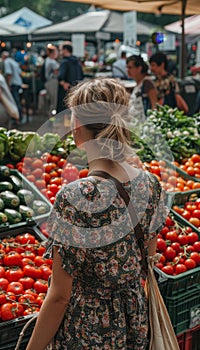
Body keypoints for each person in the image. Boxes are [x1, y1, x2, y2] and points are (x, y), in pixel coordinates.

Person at [26, 78, 168, 350]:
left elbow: (60, 297)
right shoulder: (150, 184)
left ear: (77, 125)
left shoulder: (75, 197)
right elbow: (148, 259)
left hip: (88, 329)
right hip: (134, 321)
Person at [127, 55, 158, 122]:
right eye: (127, 67)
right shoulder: (137, 84)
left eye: (130, 67)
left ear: (139, 68)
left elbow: (154, 106)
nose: (127, 70)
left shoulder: (147, 83)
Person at [57, 43, 84, 113]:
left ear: (65, 50)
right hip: (76, 88)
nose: (60, 52)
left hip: (66, 90)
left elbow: (60, 77)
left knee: (64, 109)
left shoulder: (64, 62)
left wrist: (63, 83)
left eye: (61, 50)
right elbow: (81, 75)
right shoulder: (77, 61)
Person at [2, 51, 23, 122]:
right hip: (18, 83)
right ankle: (19, 117)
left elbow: (9, 74)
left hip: (13, 84)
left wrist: (8, 85)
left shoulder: (7, 62)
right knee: (17, 100)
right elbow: (20, 73)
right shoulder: (14, 62)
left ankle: (17, 118)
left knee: (14, 101)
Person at [44, 44, 60, 115]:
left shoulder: (47, 60)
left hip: (48, 82)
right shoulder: (52, 62)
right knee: (54, 101)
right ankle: (52, 117)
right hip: (52, 82)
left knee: (51, 100)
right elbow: (57, 72)